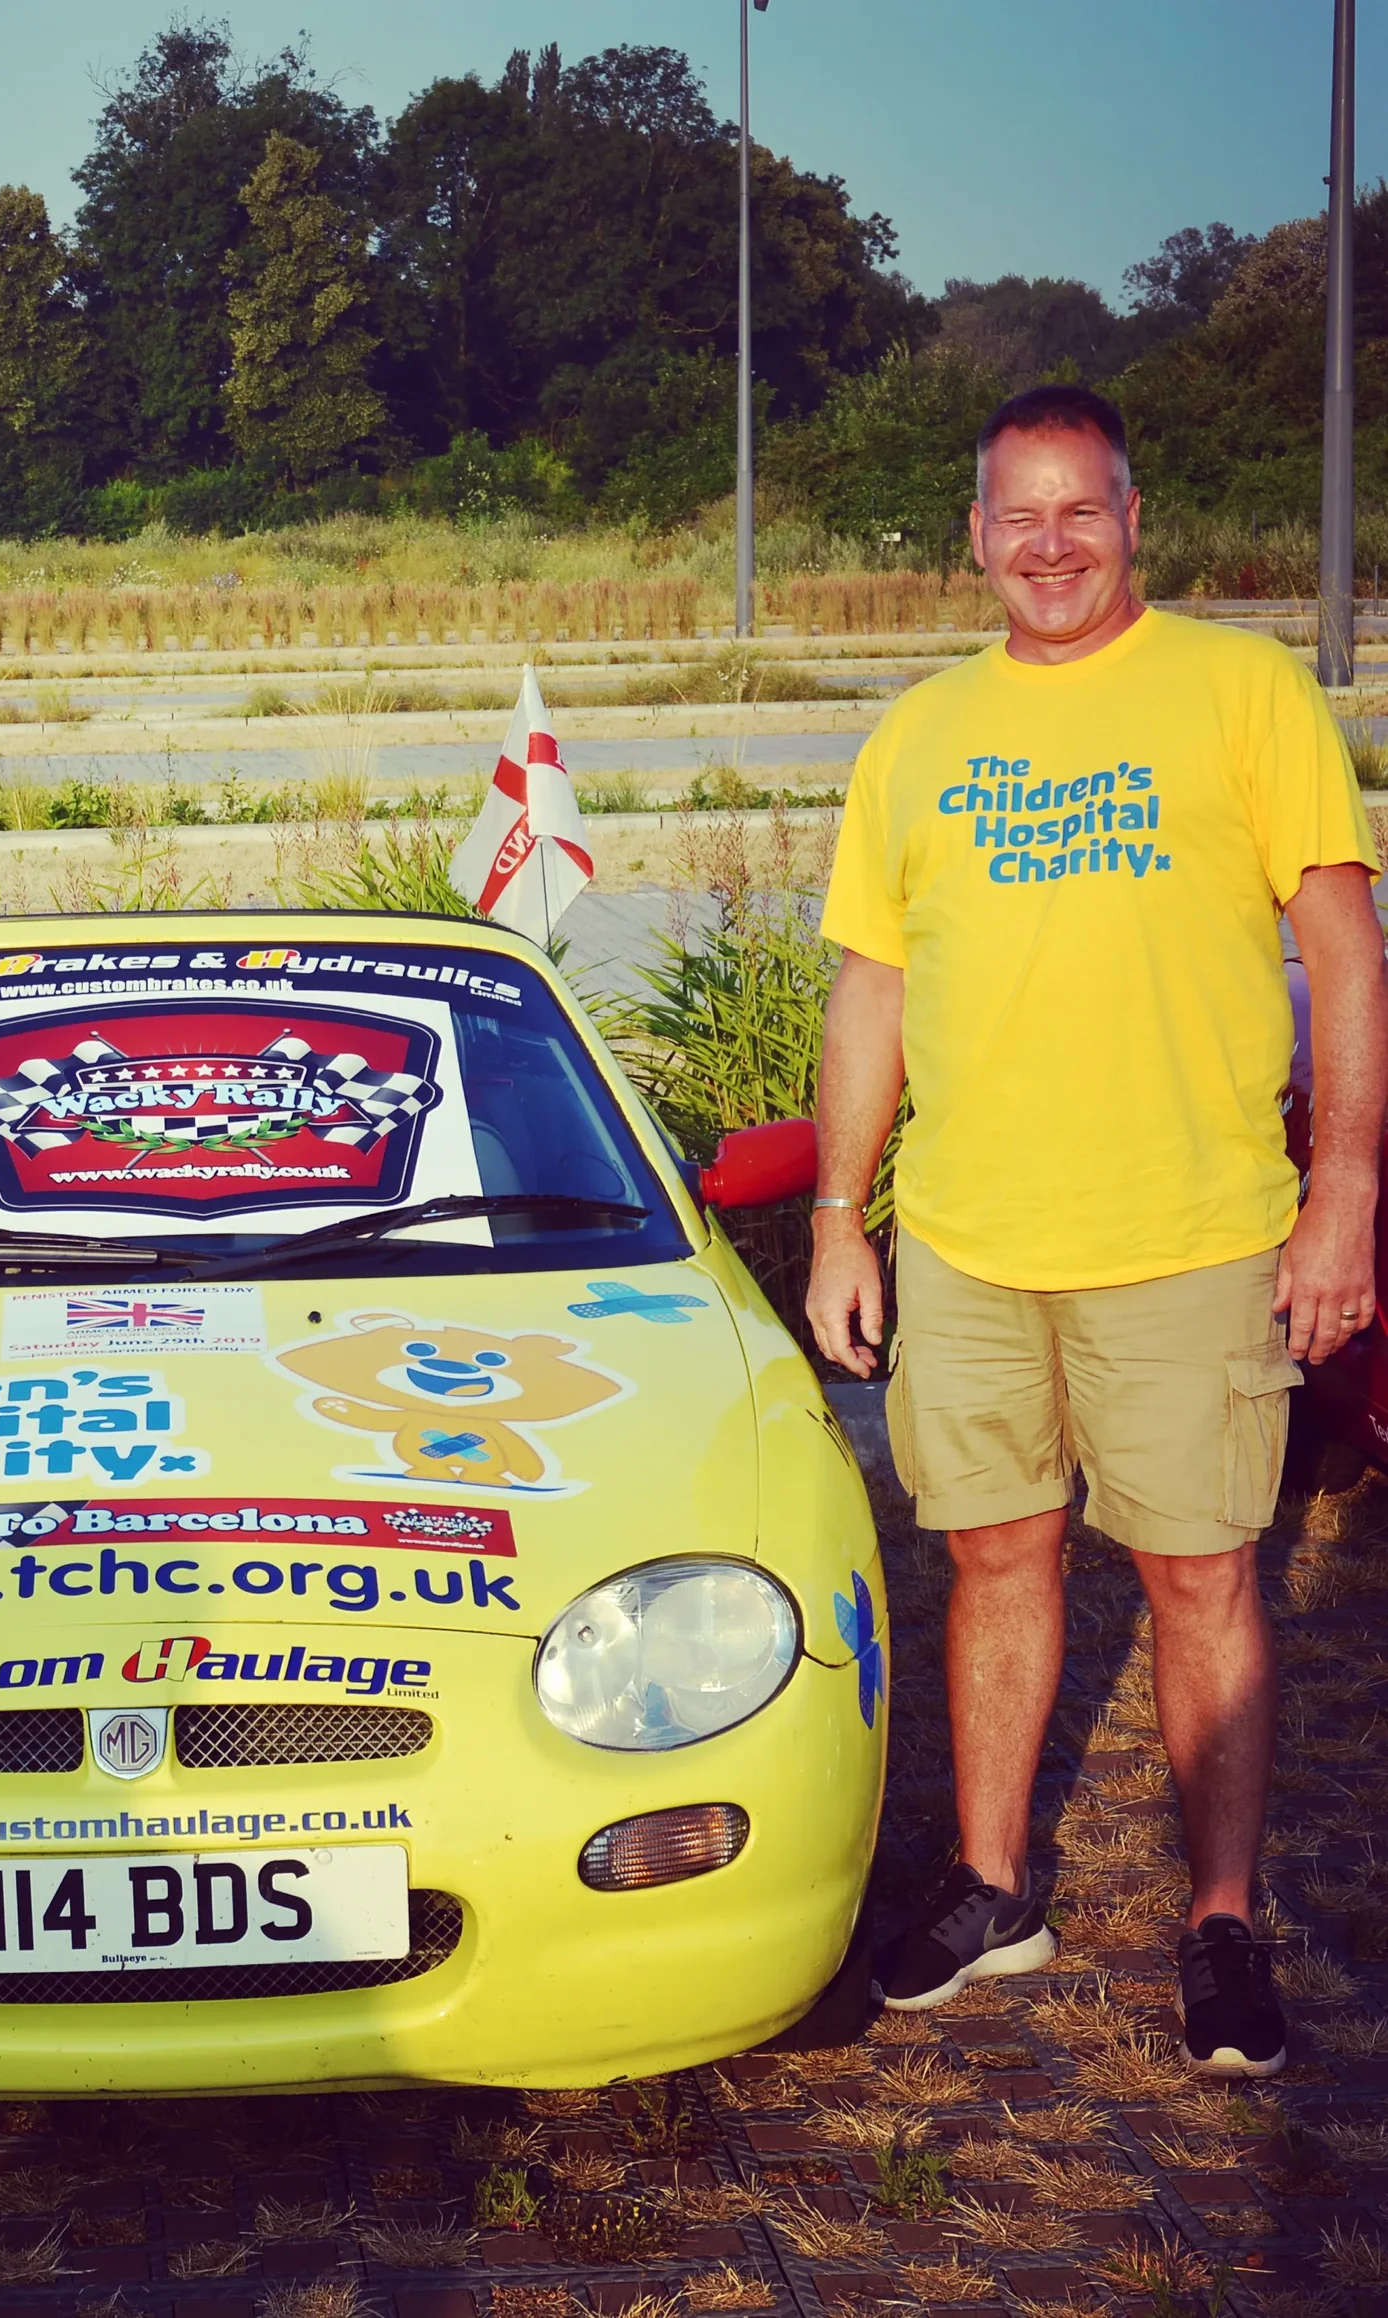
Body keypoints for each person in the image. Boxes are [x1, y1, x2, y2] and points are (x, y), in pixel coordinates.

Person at [806, 384, 1386, 2078]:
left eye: (1084, 511)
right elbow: (871, 988)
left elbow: (1345, 951)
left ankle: (1220, 1919)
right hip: (975, 1245)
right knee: (993, 1559)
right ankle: (992, 1888)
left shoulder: (1244, 693)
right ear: (975, 537)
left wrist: (1343, 1190)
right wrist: (845, 1217)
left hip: (1192, 1237)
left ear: (1136, 522)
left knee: (1204, 1576)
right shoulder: (917, 735)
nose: (1051, 544)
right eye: (1019, 515)